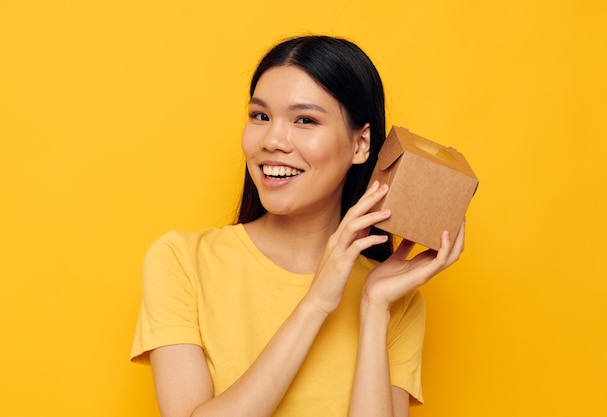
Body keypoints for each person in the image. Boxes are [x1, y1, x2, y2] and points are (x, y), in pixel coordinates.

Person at [131, 35, 465, 417]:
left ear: (361, 144)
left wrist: (374, 308)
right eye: (260, 116)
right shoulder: (180, 260)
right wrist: (316, 303)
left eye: (304, 120)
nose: (273, 139)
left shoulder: (394, 297)